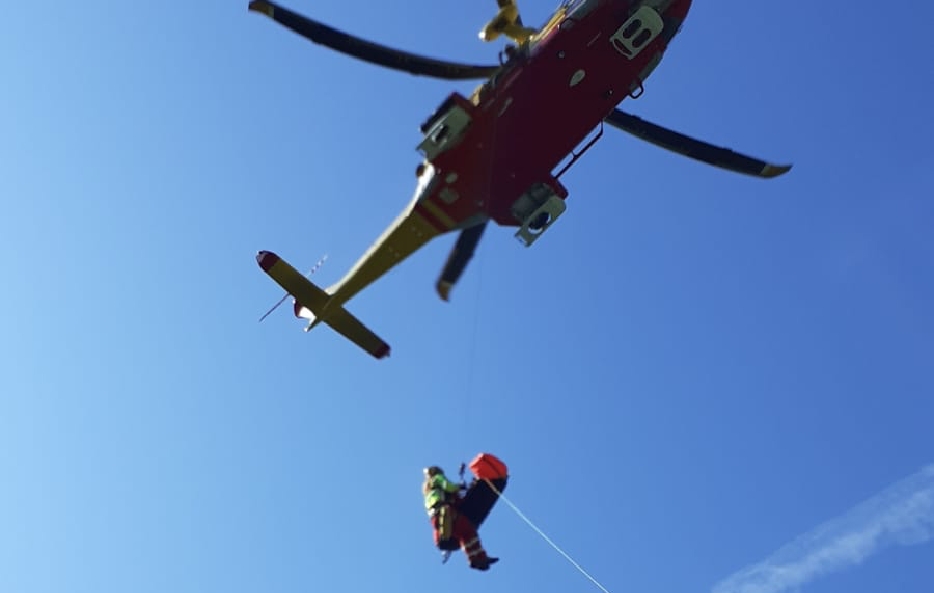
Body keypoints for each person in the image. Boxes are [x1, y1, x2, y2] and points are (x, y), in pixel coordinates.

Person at [423, 466, 499, 571]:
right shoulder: (437, 478)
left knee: (465, 534)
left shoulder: (430, 491)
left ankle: (475, 559)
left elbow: (453, 496)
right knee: (467, 530)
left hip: (437, 518)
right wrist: (460, 487)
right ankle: (478, 557)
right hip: (444, 513)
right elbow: (448, 486)